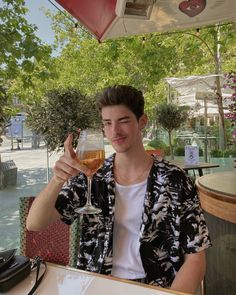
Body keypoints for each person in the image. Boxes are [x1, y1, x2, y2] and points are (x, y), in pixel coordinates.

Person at [27, 85, 211, 294]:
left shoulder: (175, 180)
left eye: (123, 121)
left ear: (142, 121)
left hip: (155, 287)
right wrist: (57, 179)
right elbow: (35, 223)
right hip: (96, 283)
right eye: (107, 123)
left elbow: (196, 258)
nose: (114, 131)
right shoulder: (93, 177)